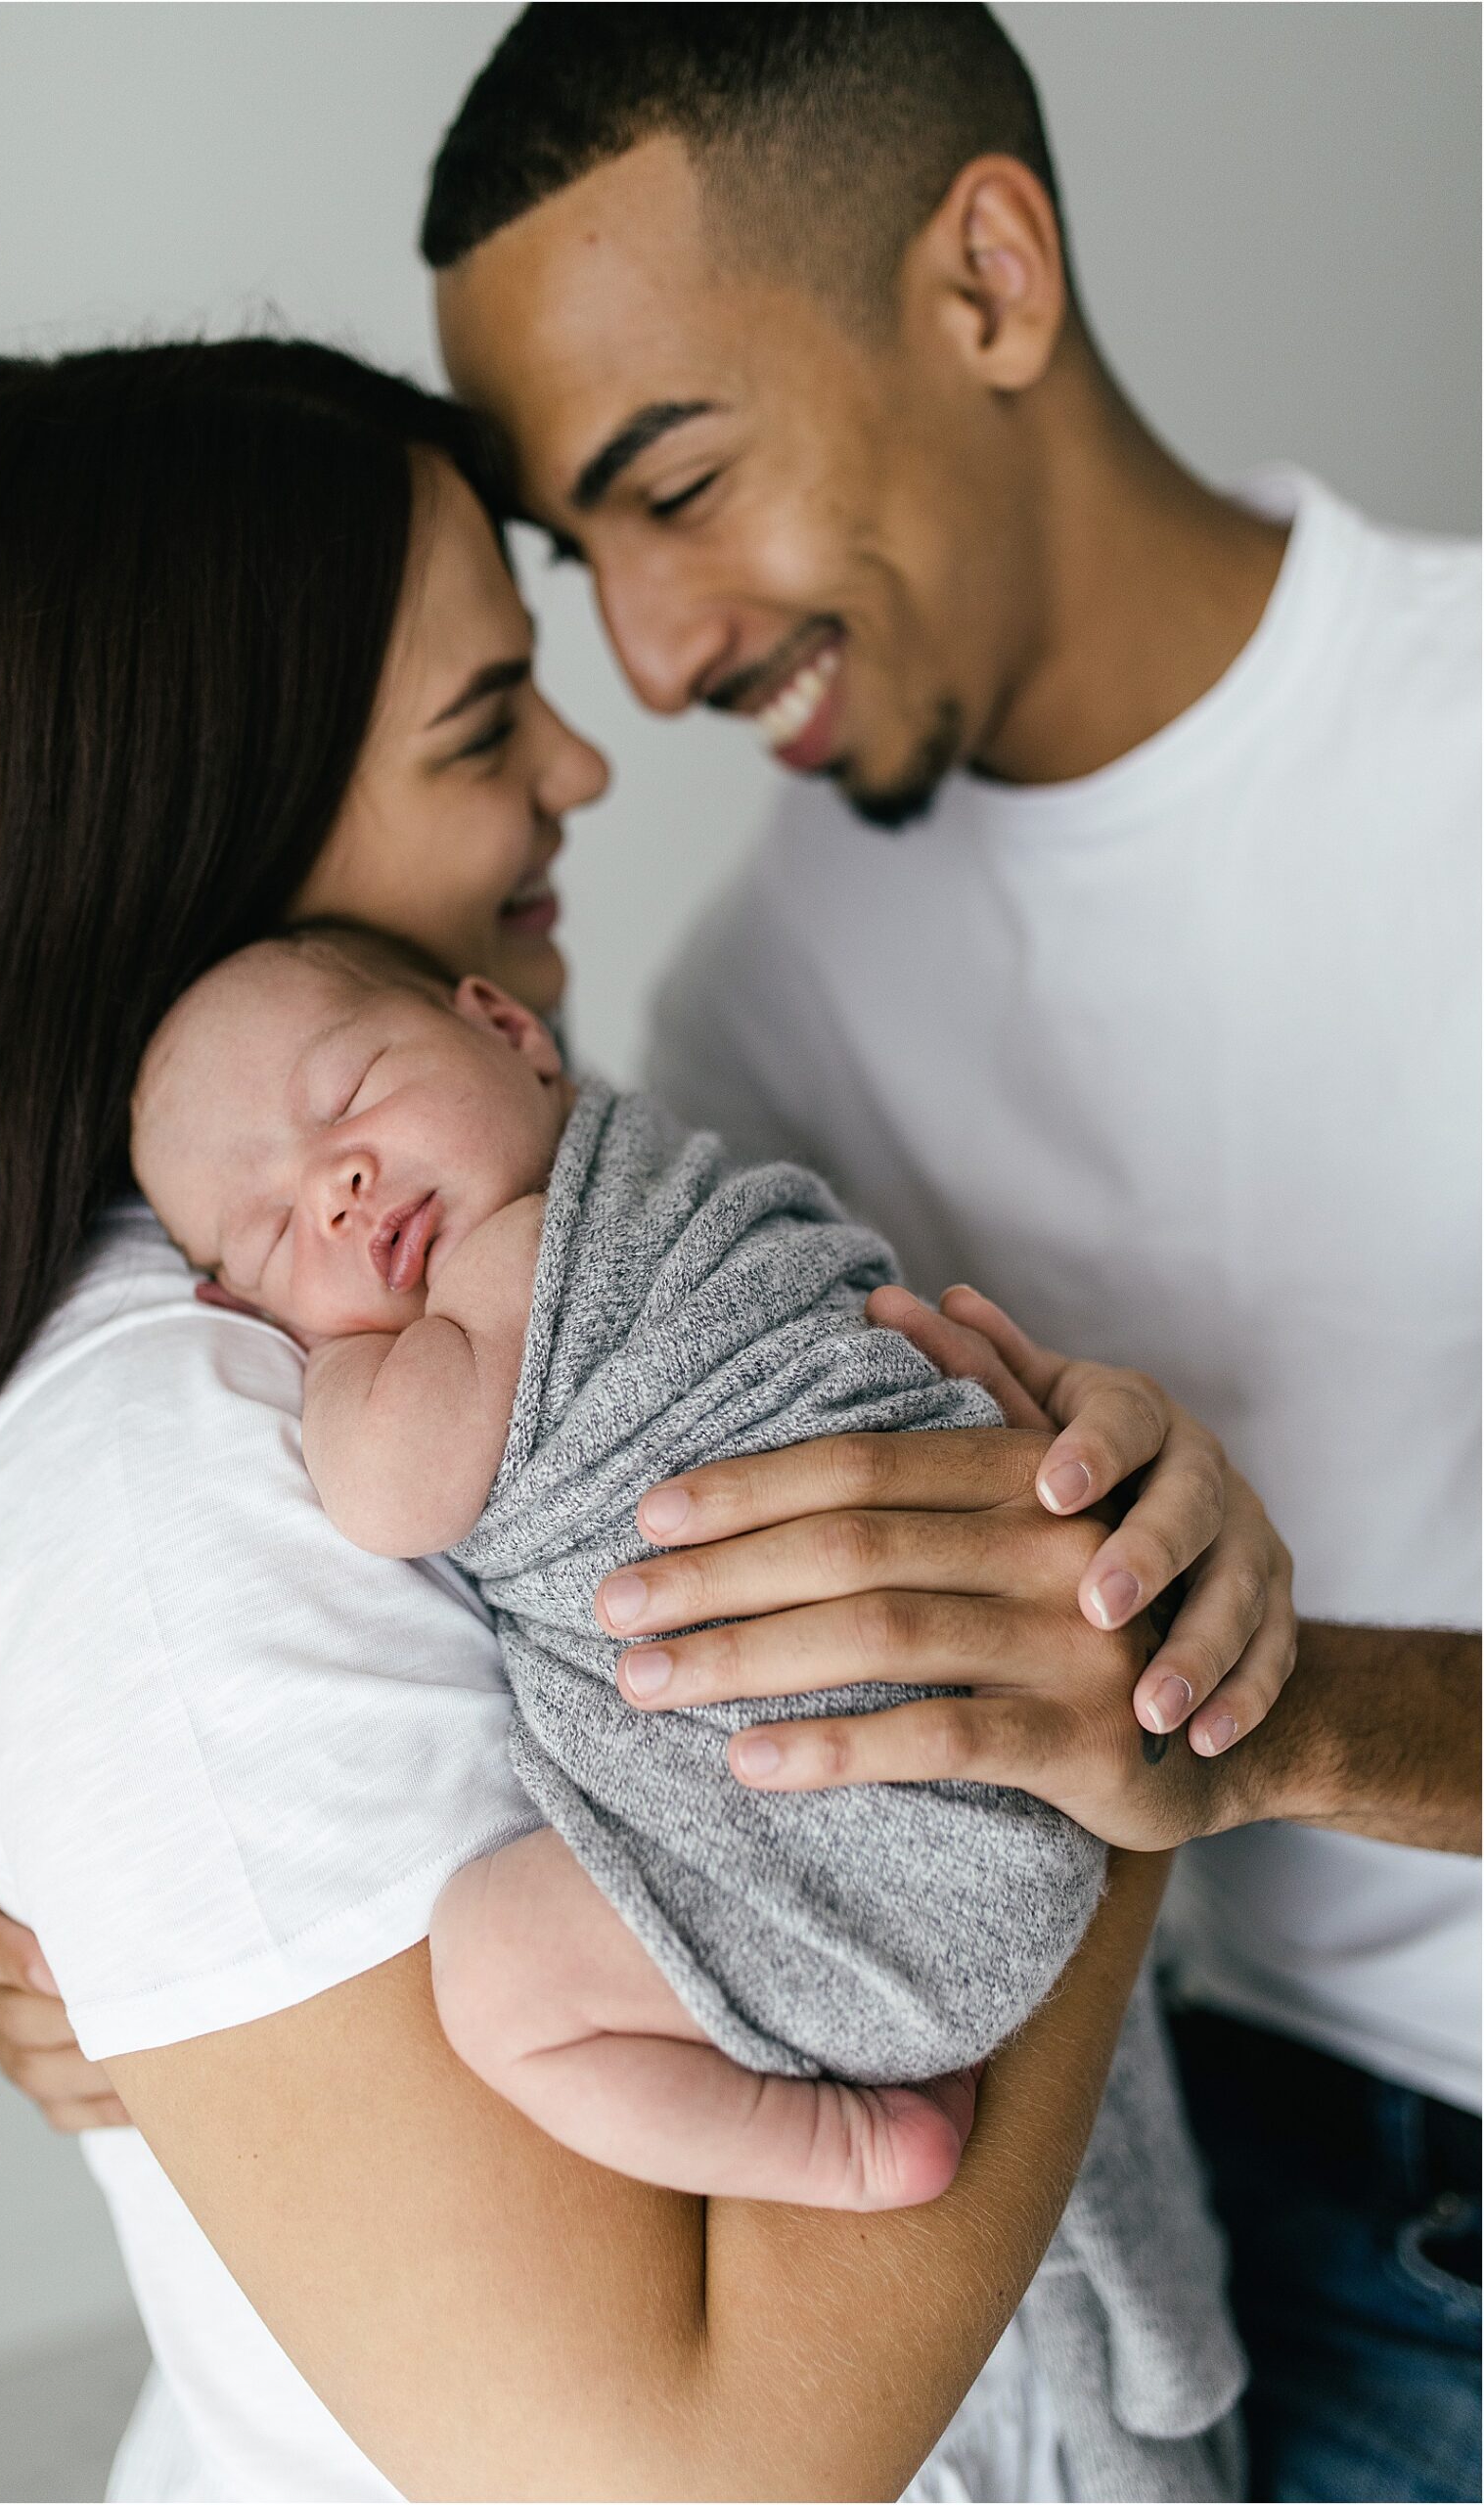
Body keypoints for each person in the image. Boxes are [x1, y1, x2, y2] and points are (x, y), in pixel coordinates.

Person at [0, 337, 1285, 2502]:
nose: (585, 765)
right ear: (199, 829)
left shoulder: (477, 1240)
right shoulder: (170, 1478)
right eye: (485, 720)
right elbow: (681, 2477)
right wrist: (1103, 1731)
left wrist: (1087, 1557)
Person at [416, 7, 1484, 2499]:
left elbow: (1210, 1736)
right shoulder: (748, 1032)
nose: (654, 659)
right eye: (588, 563)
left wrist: (1276, 1712)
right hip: (1258, 2228)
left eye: (676, 484)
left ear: (986, 278)